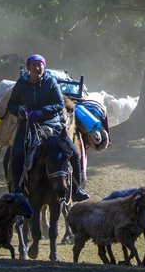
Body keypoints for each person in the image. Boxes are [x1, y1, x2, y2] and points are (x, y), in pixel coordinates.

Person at [6, 54, 89, 202]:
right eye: (34, 66)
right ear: (28, 68)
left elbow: (59, 104)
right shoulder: (21, 84)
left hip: (52, 124)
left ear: (44, 67)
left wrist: (42, 112)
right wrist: (19, 111)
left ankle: (77, 189)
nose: (37, 68)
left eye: (40, 65)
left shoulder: (51, 82)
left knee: (74, 153)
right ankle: (17, 189)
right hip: (28, 125)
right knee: (16, 153)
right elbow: (11, 105)